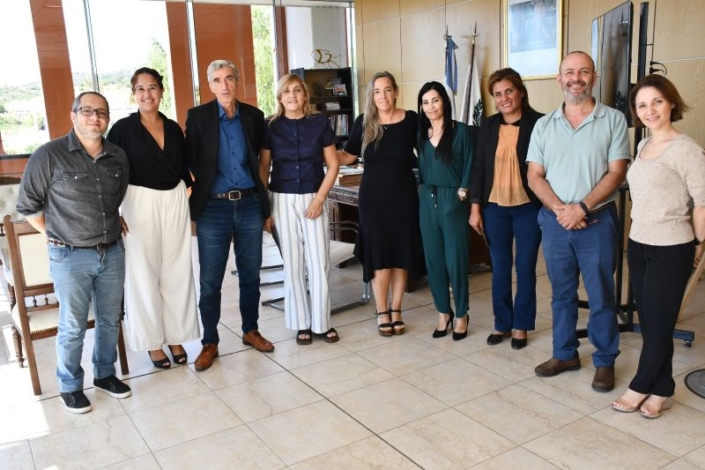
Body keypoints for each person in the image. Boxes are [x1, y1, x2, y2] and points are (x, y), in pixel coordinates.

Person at [17, 91, 131, 413]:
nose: (95, 117)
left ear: (107, 119)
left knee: (110, 319)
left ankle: (105, 375)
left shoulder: (118, 156)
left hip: (112, 252)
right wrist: (56, 235)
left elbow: (116, 197)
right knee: (73, 325)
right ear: (74, 115)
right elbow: (27, 206)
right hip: (69, 257)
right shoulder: (49, 155)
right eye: (87, 111)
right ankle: (69, 386)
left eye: (102, 112)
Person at [527, 51, 631, 392]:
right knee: (561, 294)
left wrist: (582, 208)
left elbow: (617, 172)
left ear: (594, 77)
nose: (576, 78)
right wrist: (563, 210)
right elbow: (534, 176)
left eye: (584, 71)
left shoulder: (613, 120)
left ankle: (605, 361)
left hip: (597, 222)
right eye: (569, 72)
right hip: (556, 222)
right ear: (559, 79)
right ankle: (565, 354)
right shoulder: (544, 125)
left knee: (601, 295)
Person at [612, 74, 705, 418]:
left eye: (657, 102)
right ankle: (663, 388)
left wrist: (699, 242)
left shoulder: (687, 150)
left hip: (672, 246)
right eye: (642, 105)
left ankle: (640, 385)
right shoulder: (643, 146)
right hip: (639, 243)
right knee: (653, 321)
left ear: (671, 104)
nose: (649, 110)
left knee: (660, 322)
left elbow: (702, 201)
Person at [107, 67, 199, 369]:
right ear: (133, 94)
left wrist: (187, 193)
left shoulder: (173, 128)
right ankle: (151, 342)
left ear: (161, 91)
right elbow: (109, 172)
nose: (147, 94)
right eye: (140, 89)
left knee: (177, 270)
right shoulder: (121, 129)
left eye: (152, 88)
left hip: (174, 199)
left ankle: (176, 336)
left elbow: (184, 168)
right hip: (138, 200)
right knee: (143, 272)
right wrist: (114, 211)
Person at [186, 59, 274, 371]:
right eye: (217, 80)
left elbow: (262, 163)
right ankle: (209, 341)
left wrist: (265, 206)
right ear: (210, 85)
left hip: (249, 203)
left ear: (237, 81)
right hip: (214, 208)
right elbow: (190, 160)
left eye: (229, 78)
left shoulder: (254, 116)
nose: (224, 85)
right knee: (210, 280)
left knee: (251, 274)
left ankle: (251, 330)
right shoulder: (198, 117)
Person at [338, 71, 425, 336]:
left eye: (387, 90)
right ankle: (381, 310)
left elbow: (427, 150)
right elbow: (347, 156)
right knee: (379, 256)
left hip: (404, 198)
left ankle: (396, 309)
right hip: (373, 200)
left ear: (395, 92)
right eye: (377, 91)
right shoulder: (364, 122)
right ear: (371, 95)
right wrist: (318, 151)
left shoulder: (411, 119)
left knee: (400, 254)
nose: (383, 96)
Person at [259, 73, 340, 345]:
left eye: (296, 90)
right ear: (280, 97)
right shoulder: (270, 126)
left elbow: (333, 165)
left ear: (305, 95)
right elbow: (264, 168)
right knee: (293, 264)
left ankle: (321, 323)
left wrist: (319, 199)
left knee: (319, 262)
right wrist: (265, 210)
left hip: (314, 196)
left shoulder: (319, 123)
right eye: (286, 91)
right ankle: (301, 323)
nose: (292, 95)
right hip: (281, 199)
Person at [469, 68, 543, 350]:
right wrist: (475, 207)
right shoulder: (487, 126)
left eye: (509, 91)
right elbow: (479, 169)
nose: (504, 98)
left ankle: (521, 324)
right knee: (500, 267)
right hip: (494, 208)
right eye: (498, 94)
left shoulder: (539, 123)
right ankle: (502, 323)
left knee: (525, 267)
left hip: (528, 208)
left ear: (520, 92)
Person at [417, 82, 473, 341]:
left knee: (455, 260)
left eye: (435, 100)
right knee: (434, 261)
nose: (431, 106)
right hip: (427, 200)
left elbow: (470, 163)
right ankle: (443, 312)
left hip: (454, 199)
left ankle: (461, 314)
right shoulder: (421, 134)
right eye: (425, 102)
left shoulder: (461, 131)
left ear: (445, 102)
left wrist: (463, 192)